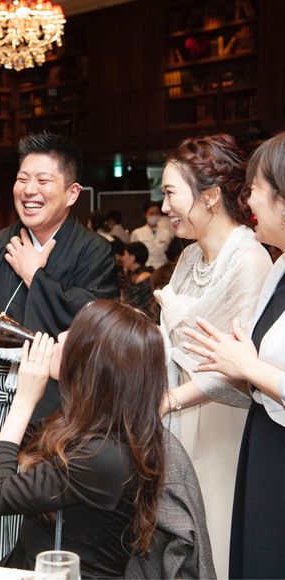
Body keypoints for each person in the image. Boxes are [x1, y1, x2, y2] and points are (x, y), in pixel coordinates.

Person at [0, 132, 119, 565]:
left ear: (72, 193)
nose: (29, 190)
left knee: (31, 523)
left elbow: (96, 328)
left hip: (54, 411)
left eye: (43, 180)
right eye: (22, 178)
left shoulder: (94, 254)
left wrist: (38, 277)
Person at [0, 301, 166, 578]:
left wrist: (24, 400)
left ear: (95, 364)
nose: (61, 335)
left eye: (75, 332)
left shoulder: (104, 454)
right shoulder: (77, 422)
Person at [155, 133, 272, 578]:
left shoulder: (249, 260)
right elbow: (173, 340)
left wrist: (168, 401)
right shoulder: (188, 258)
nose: (164, 206)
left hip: (222, 421)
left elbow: (238, 366)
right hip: (178, 419)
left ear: (209, 196)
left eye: (170, 193)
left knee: (216, 532)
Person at [182, 131, 285, 579]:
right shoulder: (279, 266)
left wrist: (249, 367)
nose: (248, 201)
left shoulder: (253, 259)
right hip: (264, 440)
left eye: (256, 189)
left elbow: (255, 367)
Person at [130, 201, 173, 269]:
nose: (154, 216)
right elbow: (132, 254)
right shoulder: (137, 233)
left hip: (161, 268)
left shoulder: (166, 233)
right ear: (144, 214)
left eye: (157, 213)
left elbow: (169, 253)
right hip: (144, 268)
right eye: (151, 213)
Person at [121, 241, 154, 316]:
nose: (122, 258)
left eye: (125, 254)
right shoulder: (131, 273)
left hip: (143, 317)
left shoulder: (144, 276)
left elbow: (128, 301)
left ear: (132, 258)